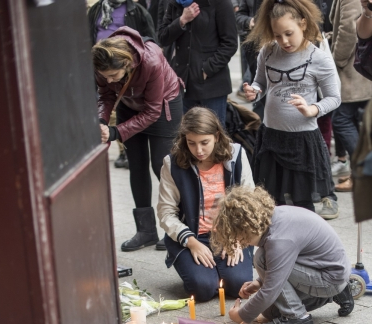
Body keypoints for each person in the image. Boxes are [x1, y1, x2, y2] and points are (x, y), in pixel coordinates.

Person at [243, 0, 341, 219]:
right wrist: (254, 91)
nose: (284, 41)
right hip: (270, 138)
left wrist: (312, 109)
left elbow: (334, 98)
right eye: (277, 35)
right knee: (271, 204)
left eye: (289, 33)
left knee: (302, 206)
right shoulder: (267, 51)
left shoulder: (319, 58)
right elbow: (261, 82)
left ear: (303, 24)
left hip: (302, 141)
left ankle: (305, 249)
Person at [211, 186, 353, 324]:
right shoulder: (273, 217)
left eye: (238, 238)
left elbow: (271, 288)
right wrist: (259, 282)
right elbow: (284, 261)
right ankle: (335, 293)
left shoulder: (279, 240)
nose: (241, 243)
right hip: (328, 270)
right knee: (271, 313)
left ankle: (298, 317)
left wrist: (241, 316)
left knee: (262, 259)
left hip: (330, 279)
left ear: (245, 230)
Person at [92, 27, 184, 251]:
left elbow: (152, 112)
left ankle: (176, 228)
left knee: (162, 167)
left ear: (127, 64)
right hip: (129, 104)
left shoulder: (151, 59)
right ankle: (146, 231)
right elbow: (105, 96)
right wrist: (102, 122)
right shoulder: (102, 64)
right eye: (106, 76)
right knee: (137, 165)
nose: (109, 79)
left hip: (163, 106)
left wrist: (116, 132)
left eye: (113, 76)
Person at [157, 107, 255, 302]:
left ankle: (218, 272)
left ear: (217, 136)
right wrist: (191, 242)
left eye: (204, 142)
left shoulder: (236, 154)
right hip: (193, 236)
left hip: (230, 233)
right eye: (191, 143)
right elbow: (166, 212)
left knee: (239, 286)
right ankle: (204, 273)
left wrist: (236, 237)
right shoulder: (172, 163)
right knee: (202, 290)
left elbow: (250, 201)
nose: (199, 150)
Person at [88, 0, 157, 169]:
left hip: (128, 72)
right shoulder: (96, 10)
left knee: (120, 111)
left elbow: (151, 40)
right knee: (107, 110)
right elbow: (87, 36)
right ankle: (119, 149)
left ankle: (123, 148)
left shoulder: (137, 11)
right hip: (101, 68)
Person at [158, 0, 238, 126]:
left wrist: (206, 69)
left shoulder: (221, 3)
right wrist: (182, 20)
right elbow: (163, 37)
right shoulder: (174, 2)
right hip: (182, 83)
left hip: (212, 86)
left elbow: (230, 44)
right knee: (184, 136)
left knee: (212, 134)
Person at [329, 0, 372, 192]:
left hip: (352, 70)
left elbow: (348, 31)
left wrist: (335, 61)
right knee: (351, 119)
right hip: (358, 69)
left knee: (341, 119)